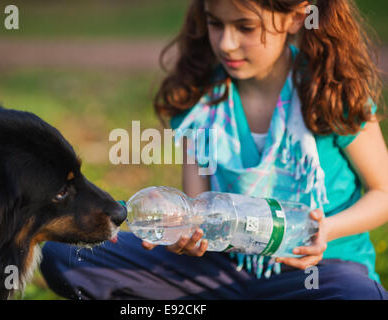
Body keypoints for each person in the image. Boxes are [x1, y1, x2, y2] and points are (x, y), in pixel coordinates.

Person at [40, 0, 388, 299]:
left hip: (319, 271)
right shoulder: (200, 98)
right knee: (66, 256)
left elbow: (383, 191)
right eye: (215, 24)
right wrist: (184, 233)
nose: (227, 43)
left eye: (246, 27)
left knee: (355, 294)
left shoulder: (330, 89)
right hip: (222, 270)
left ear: (296, 17)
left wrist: (324, 230)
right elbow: (197, 210)